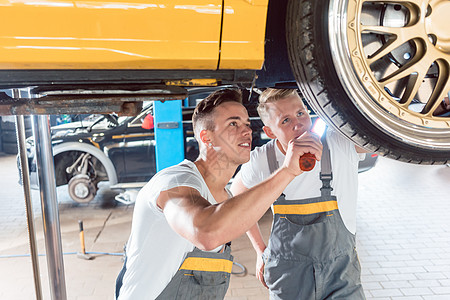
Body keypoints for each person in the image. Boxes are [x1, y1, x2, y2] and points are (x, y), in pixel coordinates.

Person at [115, 88, 323, 299]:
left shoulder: (225, 201)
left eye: (247, 124)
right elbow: (205, 232)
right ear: (206, 137)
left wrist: (262, 250)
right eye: (233, 124)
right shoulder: (175, 182)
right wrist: (287, 171)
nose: (246, 131)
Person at [230, 88, 367, 299]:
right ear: (270, 132)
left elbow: (377, 138)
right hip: (288, 279)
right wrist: (260, 250)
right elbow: (237, 193)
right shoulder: (263, 159)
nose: (298, 124)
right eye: (285, 120)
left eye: (301, 113)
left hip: (341, 277)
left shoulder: (338, 143)